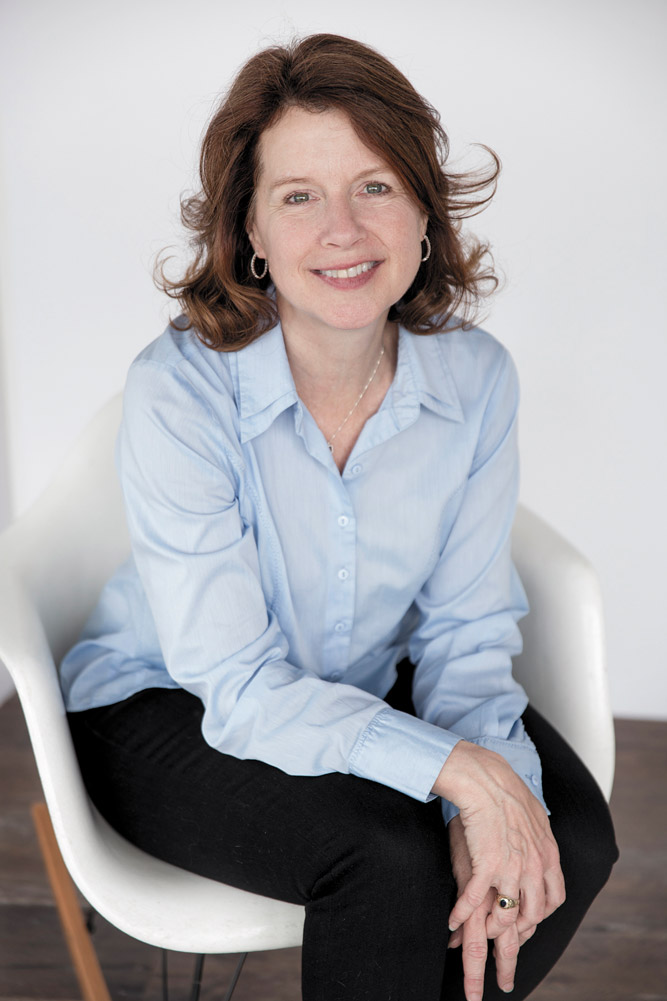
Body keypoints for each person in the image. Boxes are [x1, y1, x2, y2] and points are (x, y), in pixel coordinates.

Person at [61, 33, 617, 1001]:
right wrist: (459, 773)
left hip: (356, 680)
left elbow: (464, 636)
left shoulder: (476, 382)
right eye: (298, 197)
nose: (343, 230)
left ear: (421, 211)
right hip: (168, 705)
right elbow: (237, 684)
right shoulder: (178, 393)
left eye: (374, 186)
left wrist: (492, 790)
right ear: (251, 231)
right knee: (387, 854)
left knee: (563, 832)